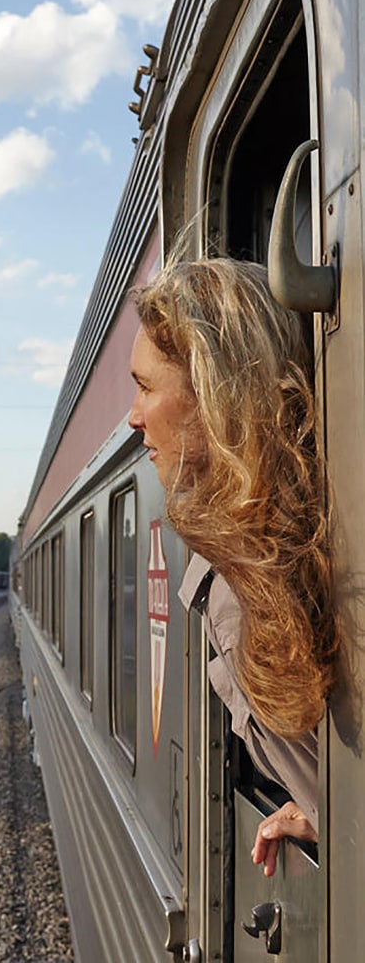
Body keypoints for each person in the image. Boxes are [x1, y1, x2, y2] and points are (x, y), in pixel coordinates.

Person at [127, 257, 339, 878]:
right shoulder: (290, 546)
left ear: (214, 396)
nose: (134, 417)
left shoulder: (254, 586)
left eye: (145, 386)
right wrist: (328, 808)